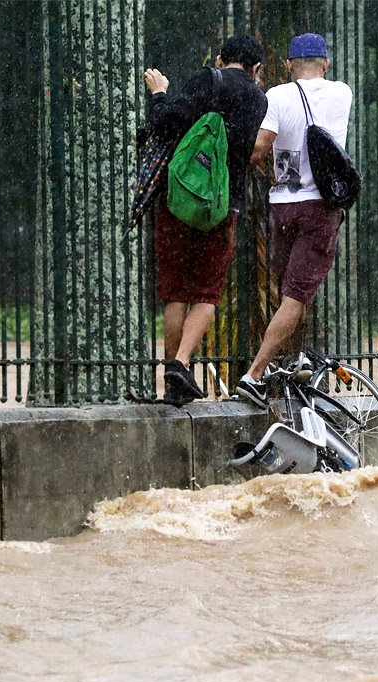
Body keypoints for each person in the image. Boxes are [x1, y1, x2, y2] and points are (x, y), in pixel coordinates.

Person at [143, 35, 268, 405]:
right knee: (206, 291)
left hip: (179, 201)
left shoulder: (207, 80)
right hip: (222, 205)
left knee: (175, 290)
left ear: (219, 58)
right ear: (257, 69)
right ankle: (182, 362)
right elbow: (246, 153)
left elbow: (163, 124)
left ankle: (174, 372)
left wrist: (160, 92)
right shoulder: (259, 100)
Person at [236, 33, 353, 408]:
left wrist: (264, 167)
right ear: (326, 63)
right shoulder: (341, 93)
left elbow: (260, 147)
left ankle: (298, 360)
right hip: (320, 208)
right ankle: (254, 375)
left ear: (287, 64)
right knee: (296, 297)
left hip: (283, 208)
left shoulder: (277, 95)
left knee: (292, 293)